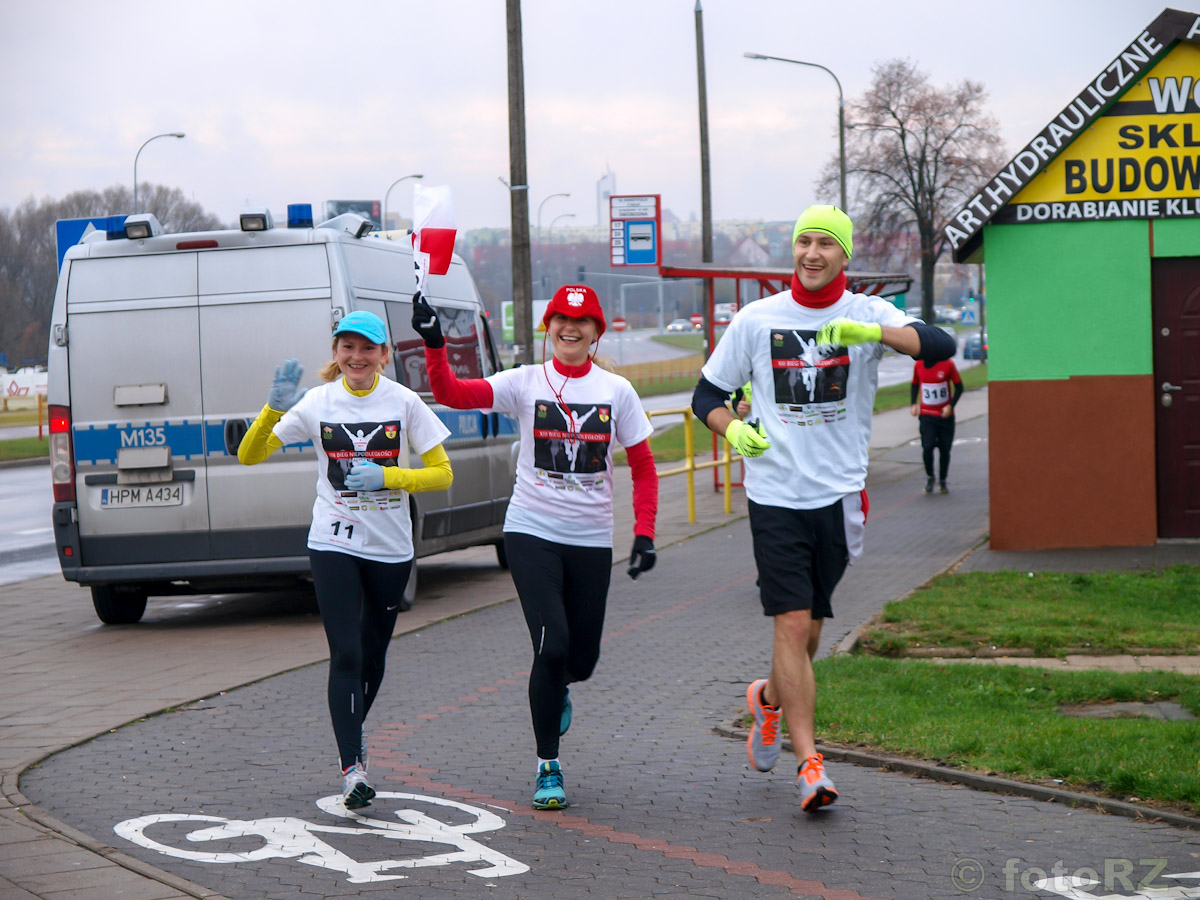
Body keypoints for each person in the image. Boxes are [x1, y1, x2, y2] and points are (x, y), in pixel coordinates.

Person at [690, 206, 955, 812]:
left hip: (838, 497)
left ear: (845, 255)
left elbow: (939, 344)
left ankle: (769, 700)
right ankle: (810, 764)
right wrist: (733, 429)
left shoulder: (868, 313)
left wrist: (873, 335)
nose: (812, 253)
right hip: (774, 495)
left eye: (826, 244)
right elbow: (708, 394)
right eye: (804, 241)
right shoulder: (757, 320)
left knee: (808, 632)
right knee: (790, 624)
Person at [411, 284, 658, 811]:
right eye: (561, 319)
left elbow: (643, 466)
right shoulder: (524, 382)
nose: (571, 328)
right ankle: (548, 766)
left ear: (595, 332)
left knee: (580, 660)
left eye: (582, 321)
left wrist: (645, 532)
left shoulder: (616, 391)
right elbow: (453, 393)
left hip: (590, 539)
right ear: (549, 327)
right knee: (551, 645)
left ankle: (558, 688)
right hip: (531, 531)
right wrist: (434, 345)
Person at [237, 310, 453, 811]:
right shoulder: (317, 403)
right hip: (333, 541)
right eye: (347, 347)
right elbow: (250, 455)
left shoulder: (403, 402)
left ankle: (352, 735)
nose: (357, 357)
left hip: (391, 548)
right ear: (335, 353)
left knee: (373, 657)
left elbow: (442, 474)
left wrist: (390, 477)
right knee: (347, 654)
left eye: (367, 348)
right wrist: (271, 411)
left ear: (384, 354)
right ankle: (352, 767)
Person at [910, 356, 963, 493]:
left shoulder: (948, 364)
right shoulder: (918, 365)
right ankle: (930, 477)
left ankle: (943, 480)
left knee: (944, 449)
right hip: (927, 415)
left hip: (945, 416)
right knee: (927, 447)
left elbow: (959, 387)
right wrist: (913, 403)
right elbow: (915, 384)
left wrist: (951, 406)